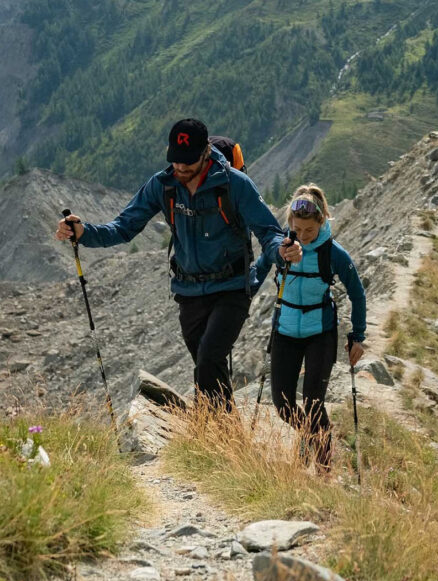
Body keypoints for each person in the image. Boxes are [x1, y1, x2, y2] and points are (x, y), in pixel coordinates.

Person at [56, 118, 302, 412]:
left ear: (205, 152)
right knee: (207, 368)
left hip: (232, 288)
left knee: (209, 359)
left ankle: (218, 436)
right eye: (175, 161)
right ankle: (224, 440)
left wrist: (282, 252)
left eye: (187, 162)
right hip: (189, 291)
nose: (180, 169)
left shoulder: (235, 185)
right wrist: (84, 233)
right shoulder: (162, 185)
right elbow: (123, 228)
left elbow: (268, 233)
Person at [255, 184, 366, 472]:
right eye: (297, 229)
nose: (302, 236)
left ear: (321, 222)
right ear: (290, 224)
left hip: (321, 333)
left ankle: (324, 470)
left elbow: (357, 293)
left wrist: (358, 336)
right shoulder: (282, 247)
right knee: (282, 404)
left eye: (309, 231)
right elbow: (259, 269)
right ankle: (309, 437)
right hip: (286, 332)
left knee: (315, 403)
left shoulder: (333, 253)